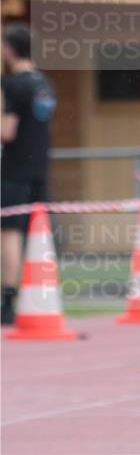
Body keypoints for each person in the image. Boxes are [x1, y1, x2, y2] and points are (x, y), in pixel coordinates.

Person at [1, 23, 56, 325]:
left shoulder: (13, 85)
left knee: (9, 233)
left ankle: (7, 300)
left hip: (14, 170)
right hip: (40, 169)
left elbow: (7, 132)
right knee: (39, 234)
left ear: (10, 49)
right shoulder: (44, 84)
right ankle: (41, 297)